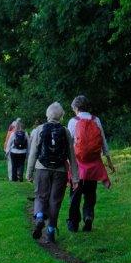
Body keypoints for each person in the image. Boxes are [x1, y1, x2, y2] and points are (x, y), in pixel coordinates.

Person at [26, 102, 79, 243]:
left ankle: (39, 218)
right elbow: (71, 156)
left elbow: (33, 153)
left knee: (40, 196)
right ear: (61, 116)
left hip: (41, 168)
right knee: (55, 201)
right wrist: (75, 177)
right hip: (60, 171)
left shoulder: (39, 129)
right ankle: (50, 231)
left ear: (47, 114)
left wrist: (29, 173)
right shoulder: (65, 131)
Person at [67, 95, 116, 233]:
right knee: (90, 194)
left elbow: (69, 143)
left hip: (78, 165)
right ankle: (88, 216)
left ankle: (73, 223)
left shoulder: (73, 121)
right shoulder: (96, 120)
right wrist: (109, 162)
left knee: (75, 195)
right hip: (94, 165)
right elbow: (103, 141)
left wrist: (66, 162)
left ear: (76, 108)